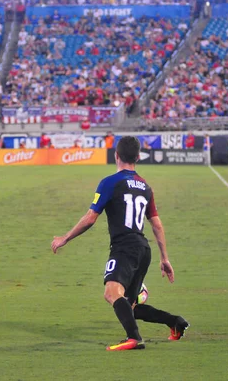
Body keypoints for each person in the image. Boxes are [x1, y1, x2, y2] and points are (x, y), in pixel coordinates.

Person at [50, 136, 189, 351]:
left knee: (111, 293)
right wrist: (164, 259)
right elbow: (157, 225)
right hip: (144, 250)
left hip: (125, 248)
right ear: (138, 158)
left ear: (116, 156)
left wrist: (65, 238)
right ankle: (175, 322)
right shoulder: (145, 186)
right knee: (129, 306)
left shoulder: (109, 182)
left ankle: (134, 338)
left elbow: (90, 218)